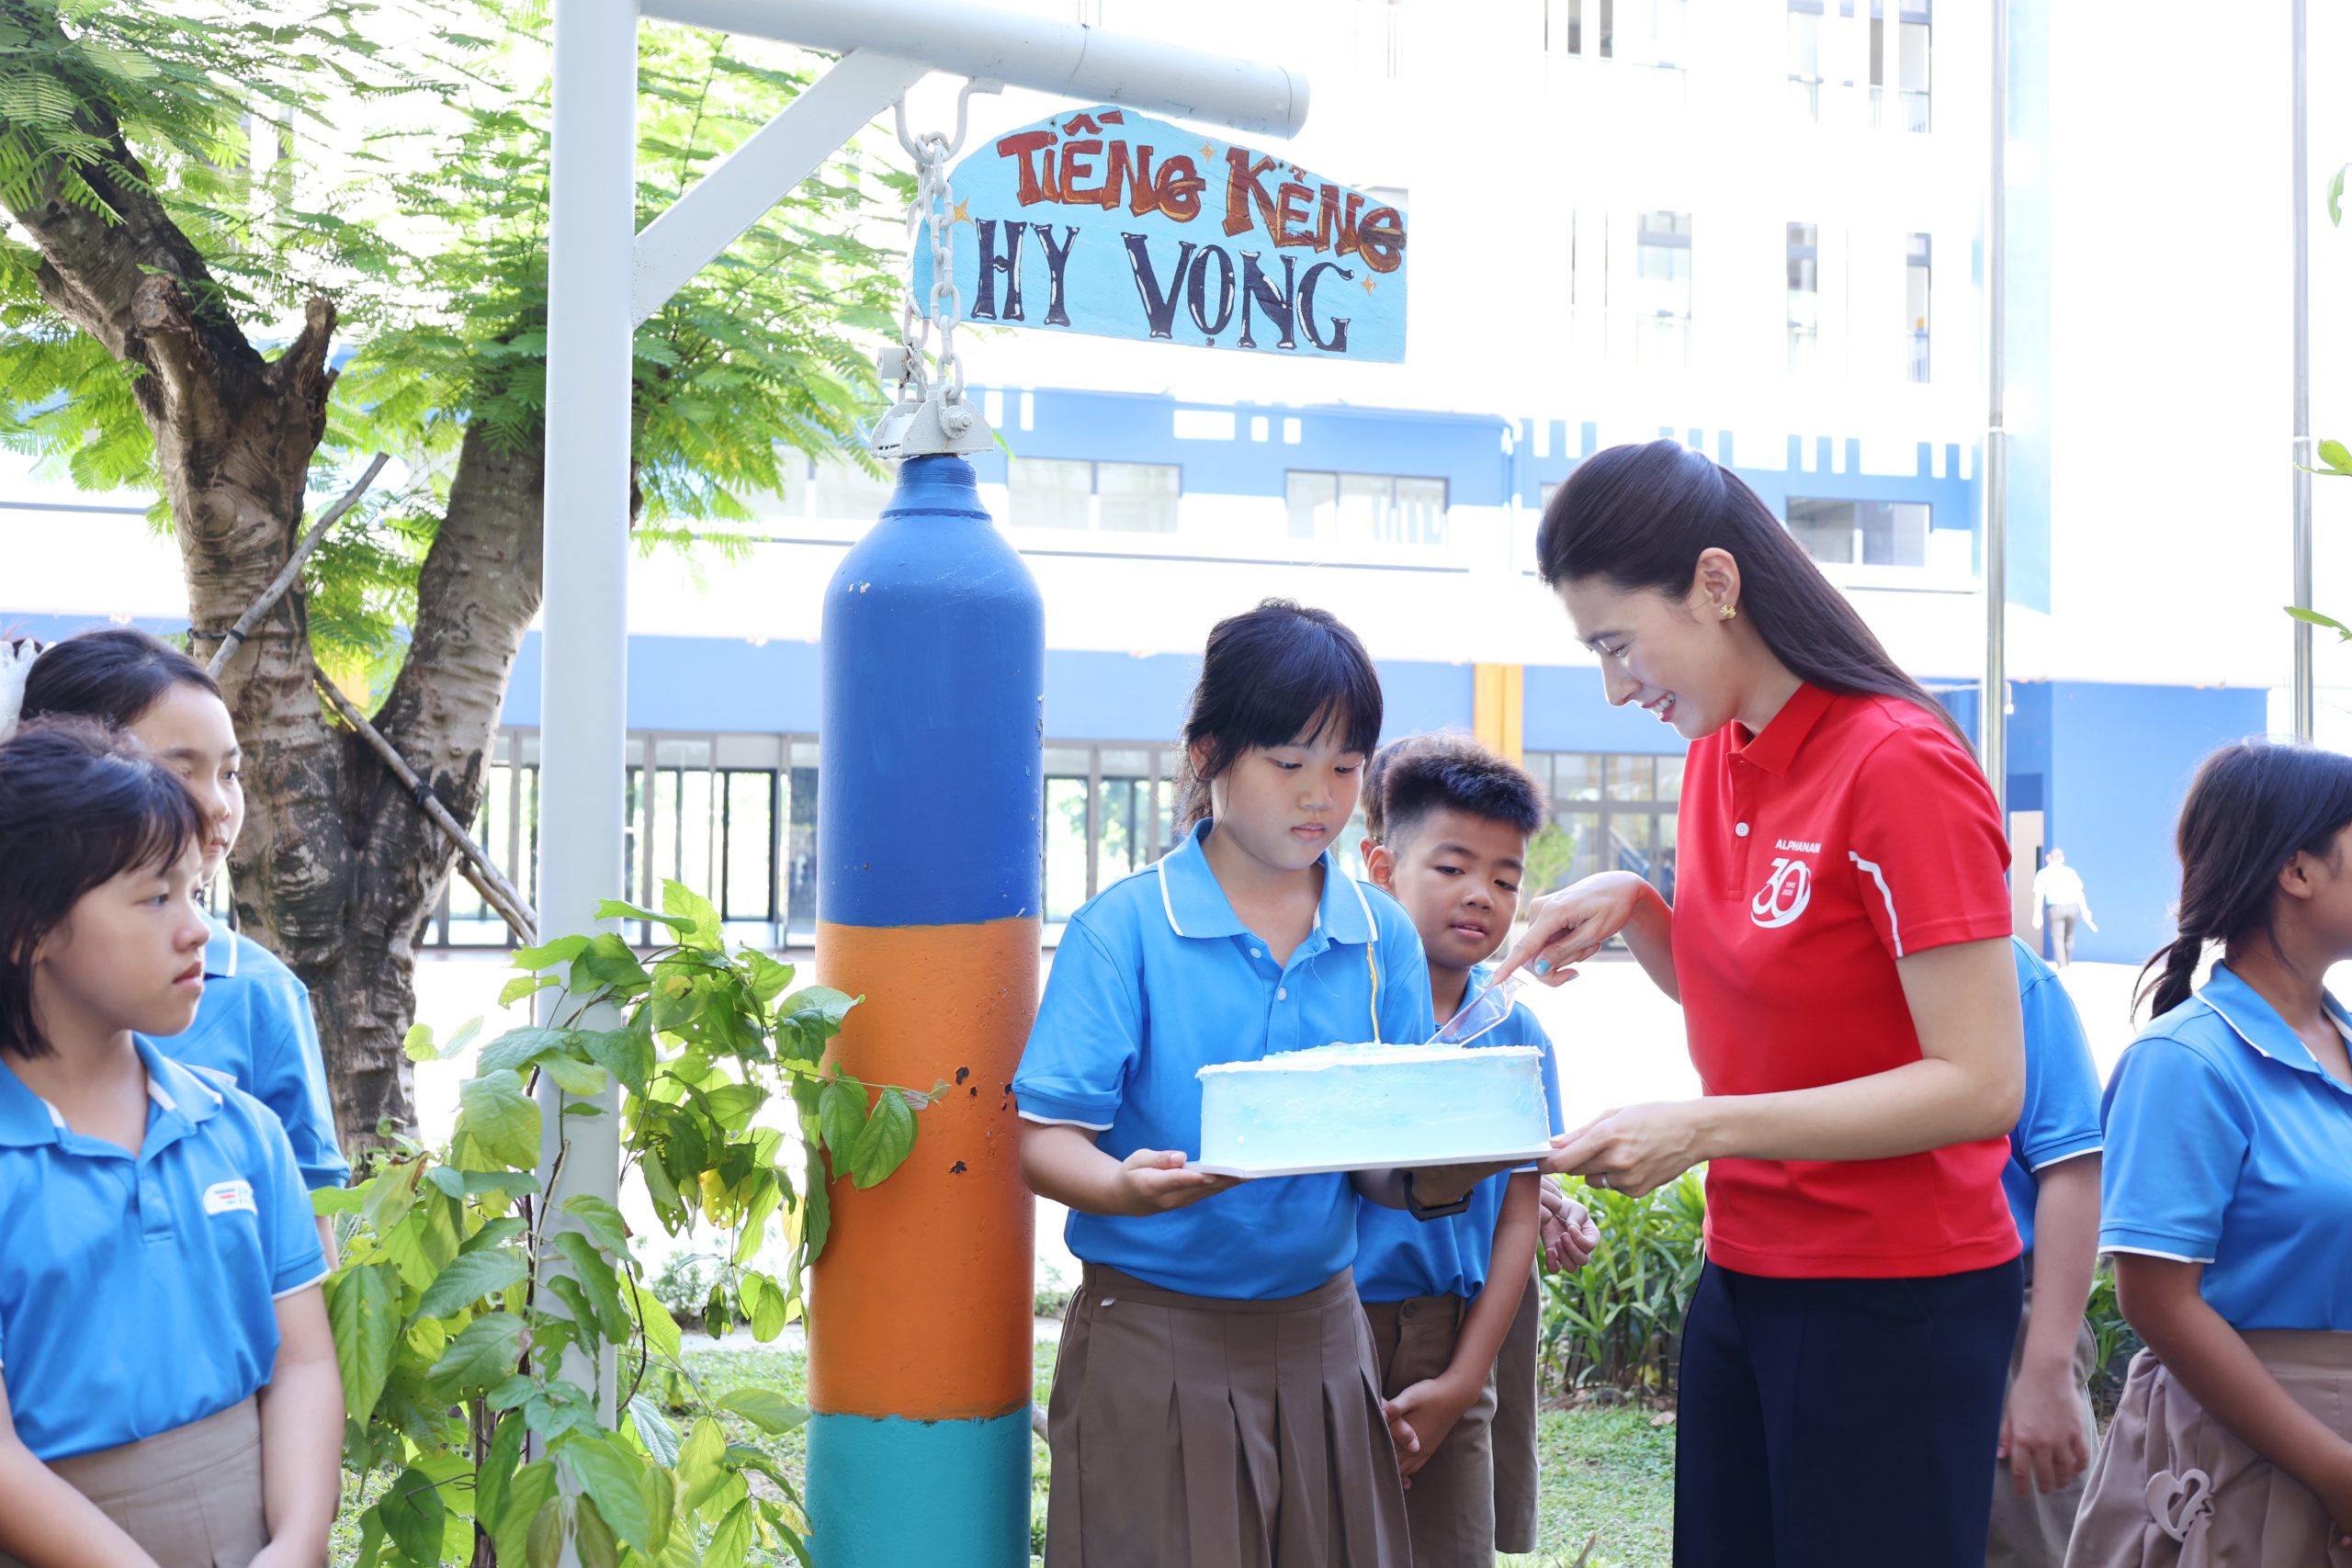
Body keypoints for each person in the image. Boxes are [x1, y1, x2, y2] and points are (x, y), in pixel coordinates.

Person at [1502, 440, 2029, 1568]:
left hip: (1898, 1297)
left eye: (1615, 644)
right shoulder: (1716, 752)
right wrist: (1641, 909)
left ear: (1715, 585)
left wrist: (1705, 1127)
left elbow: (1981, 1084)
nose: (1614, 686)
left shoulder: (1895, 764)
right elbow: (1760, 1008)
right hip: (1750, 1271)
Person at [1016, 599, 1469, 1568]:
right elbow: (1043, 1140)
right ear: (1207, 754)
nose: (1321, 796)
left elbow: (1379, 1163)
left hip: (1323, 1338)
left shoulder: (1382, 935)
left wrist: (1443, 1174)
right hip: (1152, 1335)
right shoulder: (1124, 931)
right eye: (1288, 762)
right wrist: (1122, 1188)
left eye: (1346, 768)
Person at [0, 720, 342, 1568]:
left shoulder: (241, 1130)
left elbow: (302, 1365)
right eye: (155, 898)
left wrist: (297, 1542)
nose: (195, 930)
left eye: (195, 892)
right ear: (29, 929)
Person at [2067, 739, 2352, 1565]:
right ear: (2296, 870)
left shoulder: (2340, 1043)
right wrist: (2334, 1470)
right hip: (2252, 1453)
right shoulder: (2188, 1059)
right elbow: (2158, 1299)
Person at [17, 629, 349, 1256]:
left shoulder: (260, 994)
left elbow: (308, 1248)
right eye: (180, 770)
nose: (220, 804)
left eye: (231, 771)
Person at [1352, 733, 1584, 1565]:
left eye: (1505, 878)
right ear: (1382, 868)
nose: (1480, 894)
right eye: (1451, 867)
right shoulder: (1344, 1014)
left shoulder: (1515, 1036)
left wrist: (1459, 1384)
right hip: (1329, 1326)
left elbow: (1519, 1219)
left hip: (1460, 1336)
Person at [1988, 936, 2105, 1568]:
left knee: (2029, 1539)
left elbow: (2073, 1162)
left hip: (2006, 1309)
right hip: (1846, 1308)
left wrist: (2047, 1366)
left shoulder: (2010, 972)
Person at [2032, 849, 2098, 968]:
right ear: (2062, 859)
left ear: (2048, 858)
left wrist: (2037, 914)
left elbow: (2039, 894)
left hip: (2056, 909)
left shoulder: (2043, 873)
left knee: (2058, 937)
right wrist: (2085, 910)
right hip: (2072, 908)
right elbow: (2079, 893)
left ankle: (2062, 966)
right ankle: (2068, 962)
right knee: (2070, 936)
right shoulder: (2070, 872)